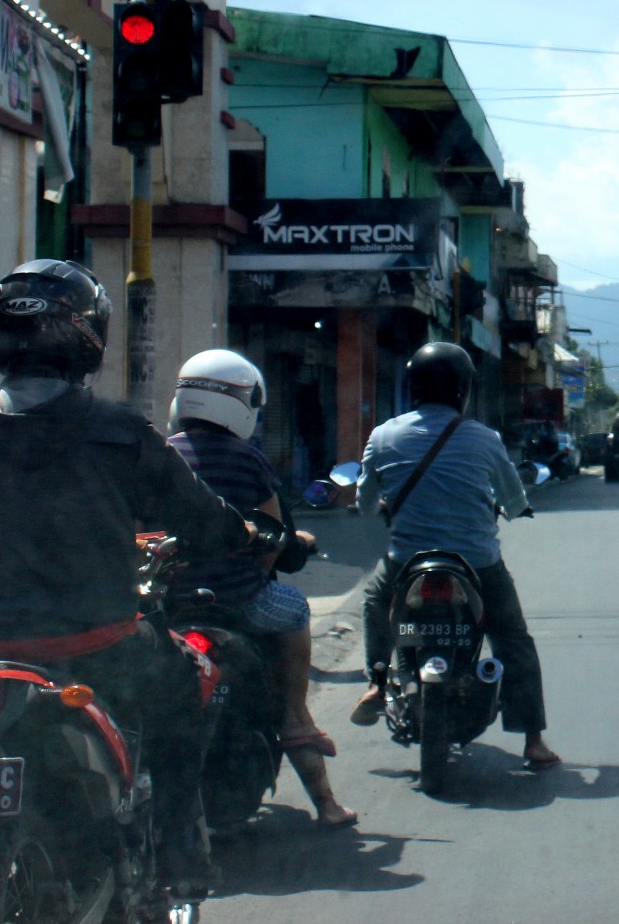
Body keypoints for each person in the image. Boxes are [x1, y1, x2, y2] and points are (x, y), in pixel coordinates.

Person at [0, 260, 266, 897]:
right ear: (88, 336)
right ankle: (178, 854)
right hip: (95, 646)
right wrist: (243, 535)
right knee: (187, 689)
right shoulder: (117, 431)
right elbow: (199, 516)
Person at [348, 341, 561, 769]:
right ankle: (533, 740)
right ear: (462, 389)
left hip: (406, 561)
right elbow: (513, 499)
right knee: (512, 640)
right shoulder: (485, 439)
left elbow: (367, 504)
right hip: (476, 563)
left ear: (413, 387)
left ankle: (375, 679)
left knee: (375, 601)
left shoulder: (383, 435)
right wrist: (519, 509)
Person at [167, 348, 356, 829]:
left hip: (169, 603)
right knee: (293, 609)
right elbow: (274, 540)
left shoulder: (163, 456)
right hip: (238, 601)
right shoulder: (248, 460)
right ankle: (301, 729)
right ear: (243, 403)